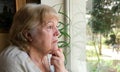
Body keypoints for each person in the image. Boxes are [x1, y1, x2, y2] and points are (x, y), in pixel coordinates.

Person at [0, 3, 68, 72]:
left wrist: (61, 69)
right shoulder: (14, 59)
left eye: (56, 26)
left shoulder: (49, 56)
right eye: (50, 27)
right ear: (28, 35)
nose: (57, 33)